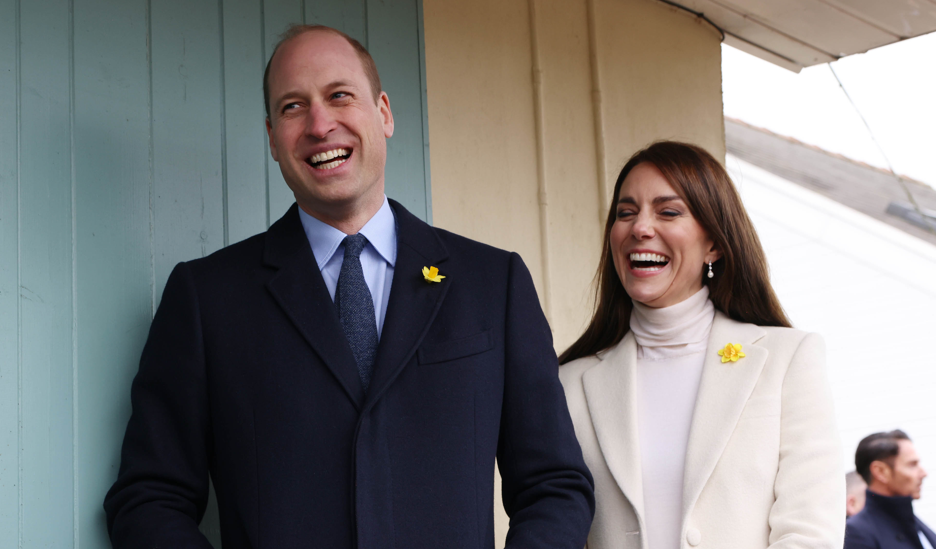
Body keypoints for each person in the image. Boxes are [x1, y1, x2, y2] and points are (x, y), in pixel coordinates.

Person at [103, 24, 594, 549]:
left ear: (383, 112)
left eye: (339, 95)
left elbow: (553, 487)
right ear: (272, 137)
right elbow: (148, 498)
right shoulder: (206, 298)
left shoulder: (494, 285)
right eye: (293, 107)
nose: (319, 124)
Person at [558, 141, 846, 549]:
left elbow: (810, 532)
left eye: (668, 211)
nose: (640, 227)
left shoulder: (787, 360)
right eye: (626, 213)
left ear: (714, 243)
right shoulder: (569, 383)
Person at [844, 430, 933, 549]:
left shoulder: (913, 523)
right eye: (912, 465)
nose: (923, 473)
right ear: (880, 471)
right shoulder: (857, 533)